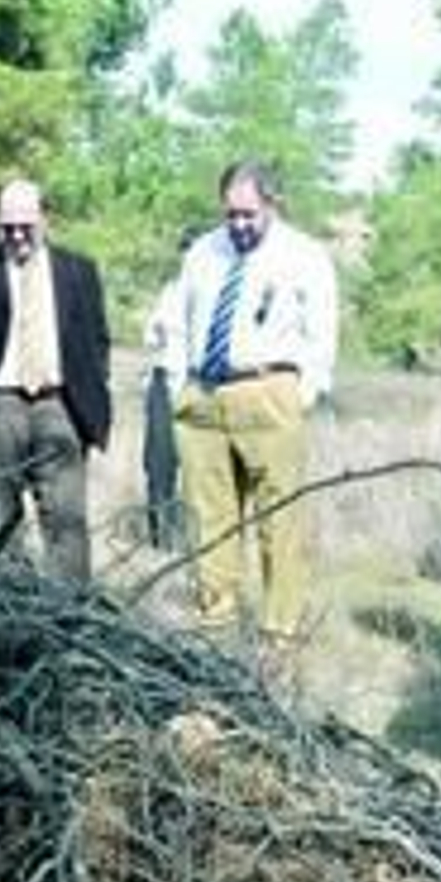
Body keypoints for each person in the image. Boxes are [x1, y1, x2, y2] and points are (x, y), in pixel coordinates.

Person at [165, 160, 337, 647]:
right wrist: (178, 383)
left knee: (279, 521)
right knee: (208, 519)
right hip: (203, 397)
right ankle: (214, 625)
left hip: (268, 391)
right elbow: (178, 320)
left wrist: (302, 395)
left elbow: (322, 332)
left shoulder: (304, 255)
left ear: (273, 205)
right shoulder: (203, 252)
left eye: (249, 214)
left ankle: (279, 634)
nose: (239, 224)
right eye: (231, 214)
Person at [0, 179, 111, 582]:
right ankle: (7, 602)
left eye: (25, 226)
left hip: (59, 403)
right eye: (7, 227)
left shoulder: (78, 271)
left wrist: (93, 399)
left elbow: (97, 339)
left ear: (45, 219)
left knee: (66, 517)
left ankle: (69, 608)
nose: (16, 236)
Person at [140, 230, 196, 550]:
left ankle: (191, 538)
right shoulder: (170, 290)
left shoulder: (214, 291)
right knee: (158, 464)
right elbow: (150, 334)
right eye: (184, 251)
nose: (188, 257)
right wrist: (158, 331)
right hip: (162, 381)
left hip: (195, 384)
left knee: (198, 467)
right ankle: (159, 540)